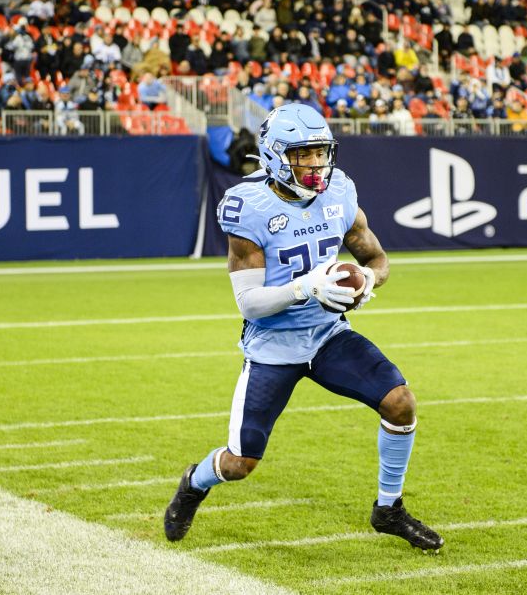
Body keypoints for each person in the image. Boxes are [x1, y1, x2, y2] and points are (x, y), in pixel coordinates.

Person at [164, 103, 444, 553]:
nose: (317, 164)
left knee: (400, 403)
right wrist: (306, 287)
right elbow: (250, 303)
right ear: (275, 155)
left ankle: (388, 509)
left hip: (327, 334)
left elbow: (376, 258)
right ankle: (193, 484)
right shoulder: (248, 205)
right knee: (240, 463)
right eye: (304, 154)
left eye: (321, 152)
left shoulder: (339, 192)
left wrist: (369, 278)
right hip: (274, 344)